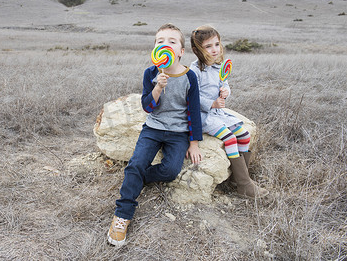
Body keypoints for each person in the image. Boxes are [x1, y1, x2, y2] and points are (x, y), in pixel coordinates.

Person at [107, 23, 203, 246]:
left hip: (178, 133)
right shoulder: (151, 73)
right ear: (155, 49)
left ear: (181, 51)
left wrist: (194, 142)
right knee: (137, 162)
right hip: (153, 127)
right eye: (160, 41)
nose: (165, 44)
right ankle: (123, 214)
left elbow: (194, 112)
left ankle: (137, 176)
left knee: (170, 171)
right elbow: (147, 107)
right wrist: (157, 87)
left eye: (172, 41)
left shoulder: (190, 78)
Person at [189, 25, 269, 199]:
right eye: (208, 46)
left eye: (217, 44)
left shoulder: (219, 67)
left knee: (244, 135)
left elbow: (224, 84)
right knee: (231, 138)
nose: (214, 49)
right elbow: (192, 98)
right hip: (204, 117)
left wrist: (226, 91)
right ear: (196, 50)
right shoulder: (195, 71)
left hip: (219, 114)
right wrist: (212, 103)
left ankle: (238, 178)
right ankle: (244, 185)